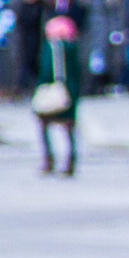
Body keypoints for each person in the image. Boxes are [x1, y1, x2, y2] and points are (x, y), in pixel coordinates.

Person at [32, 13, 82, 176]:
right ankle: (71, 161)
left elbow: (46, 71)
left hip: (55, 93)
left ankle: (49, 160)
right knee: (69, 129)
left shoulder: (53, 46)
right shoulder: (72, 47)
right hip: (70, 92)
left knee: (44, 124)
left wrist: (40, 89)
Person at [80, 0, 123, 92]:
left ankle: (106, 84)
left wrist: (115, 30)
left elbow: (114, 16)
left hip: (105, 32)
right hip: (93, 34)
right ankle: (95, 86)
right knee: (96, 61)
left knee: (106, 60)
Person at [12, 0, 49, 95]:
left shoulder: (42, 7)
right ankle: (21, 86)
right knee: (23, 63)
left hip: (38, 40)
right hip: (22, 40)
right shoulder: (19, 6)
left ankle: (38, 86)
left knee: (35, 64)